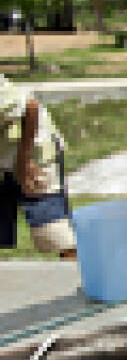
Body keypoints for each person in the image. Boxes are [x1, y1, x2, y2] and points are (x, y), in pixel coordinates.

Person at [0, 74, 76, 259]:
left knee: (55, 234)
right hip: (3, 155)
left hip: (35, 151)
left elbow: (30, 107)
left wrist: (25, 162)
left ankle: (76, 280)